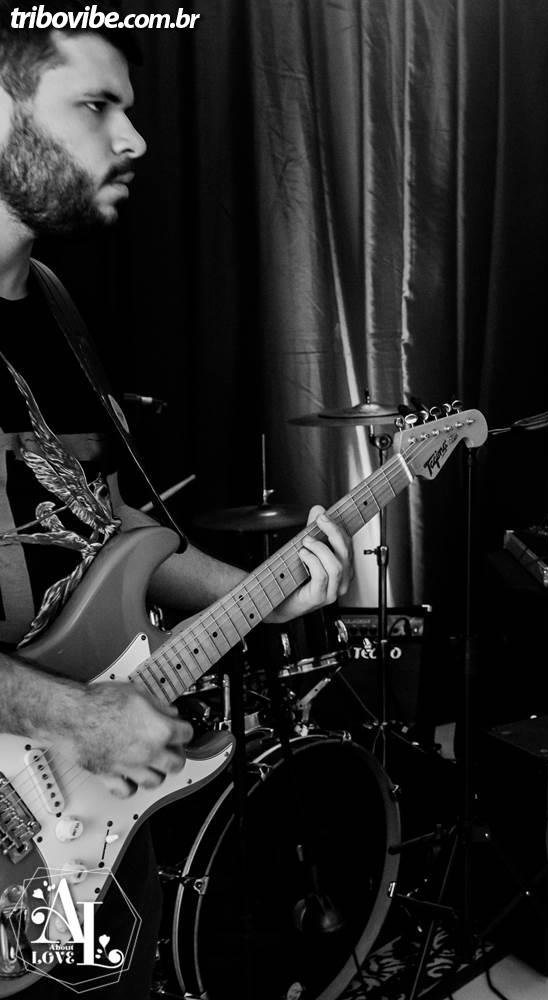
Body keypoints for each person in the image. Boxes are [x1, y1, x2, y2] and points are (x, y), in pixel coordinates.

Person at [0, 14, 353, 995]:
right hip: (40, 762)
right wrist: (74, 712)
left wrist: (264, 592)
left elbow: (114, 531)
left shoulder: (52, 308)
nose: (134, 137)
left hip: (78, 812)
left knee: (87, 985)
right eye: (95, 105)